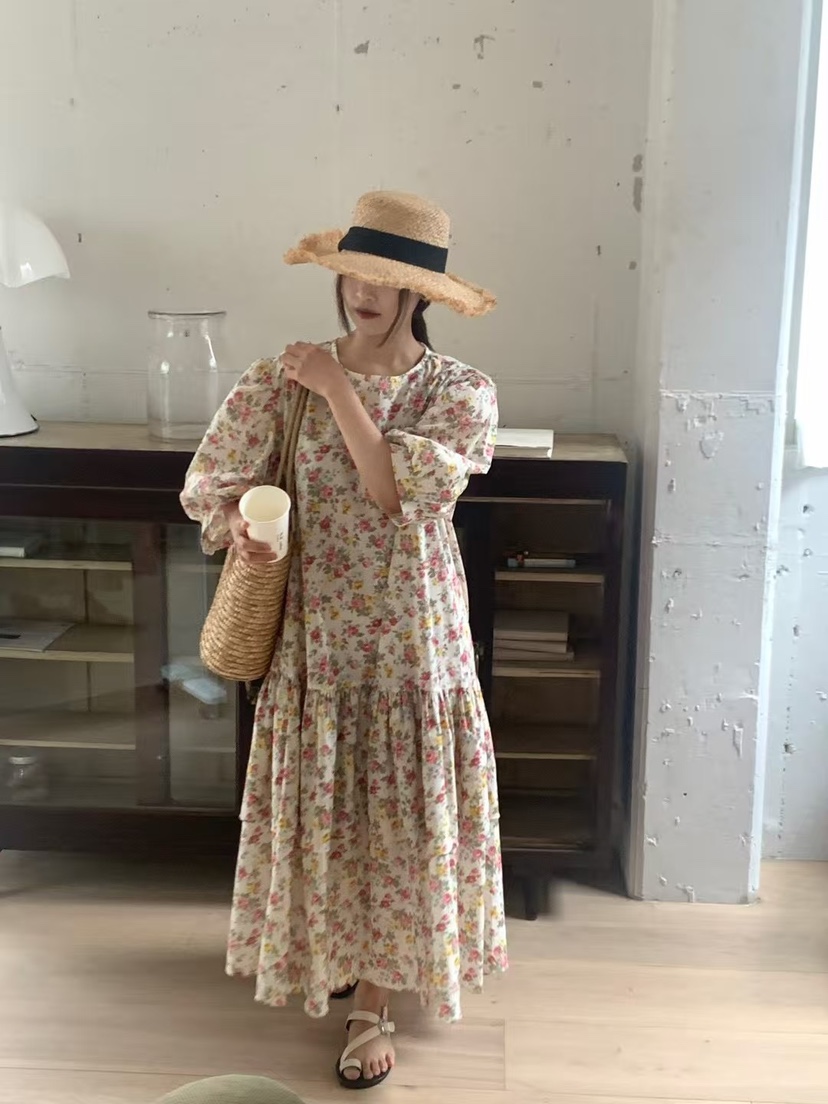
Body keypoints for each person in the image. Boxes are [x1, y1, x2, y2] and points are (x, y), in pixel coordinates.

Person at [181, 191, 508, 1090]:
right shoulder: (278, 378)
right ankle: (331, 948)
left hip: (410, 639)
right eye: (354, 274)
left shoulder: (458, 393)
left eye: (386, 280)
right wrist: (242, 532)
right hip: (316, 634)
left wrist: (337, 390)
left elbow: (396, 494)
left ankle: (373, 1000)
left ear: (420, 294)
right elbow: (216, 483)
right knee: (331, 805)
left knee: (400, 816)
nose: (364, 292)